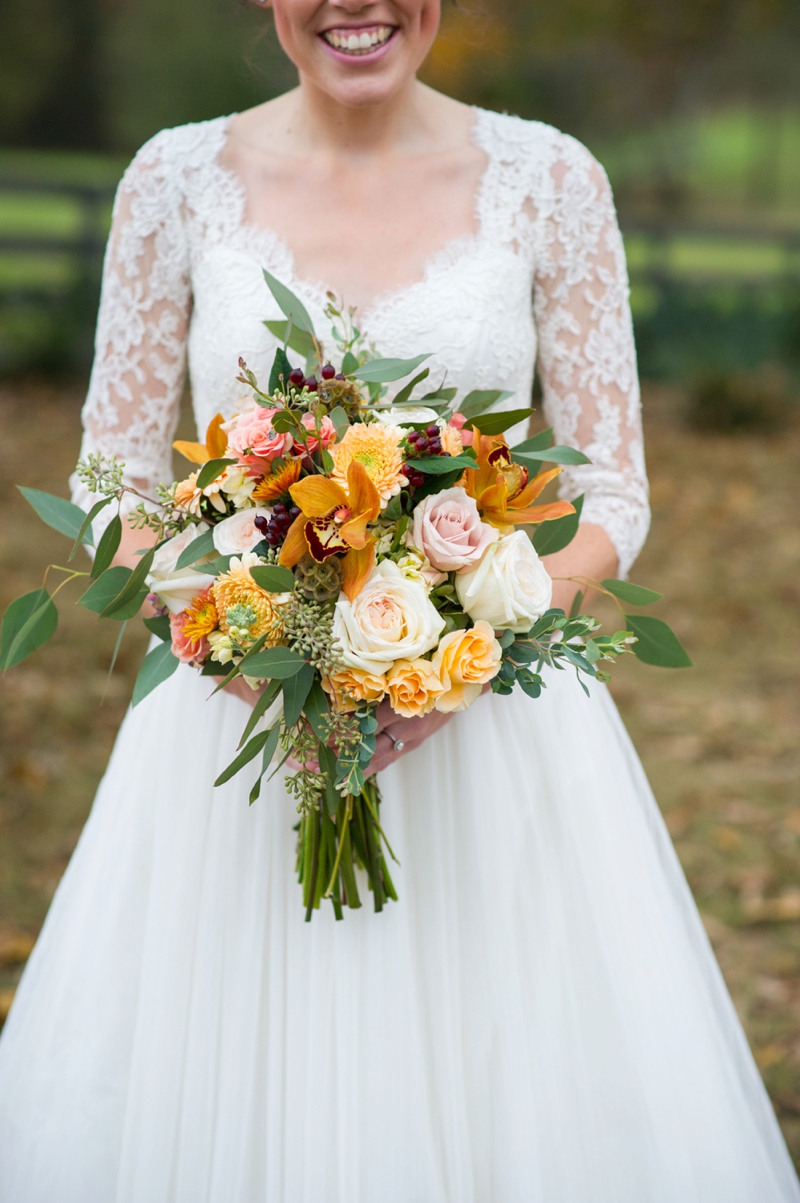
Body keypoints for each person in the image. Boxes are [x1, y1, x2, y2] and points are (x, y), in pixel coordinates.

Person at [1, 1, 798, 1199]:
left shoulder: (551, 180)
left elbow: (609, 490)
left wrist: (468, 644)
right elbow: (111, 473)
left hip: (496, 730)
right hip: (237, 716)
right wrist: (214, 618)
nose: (354, 3)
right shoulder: (171, 178)